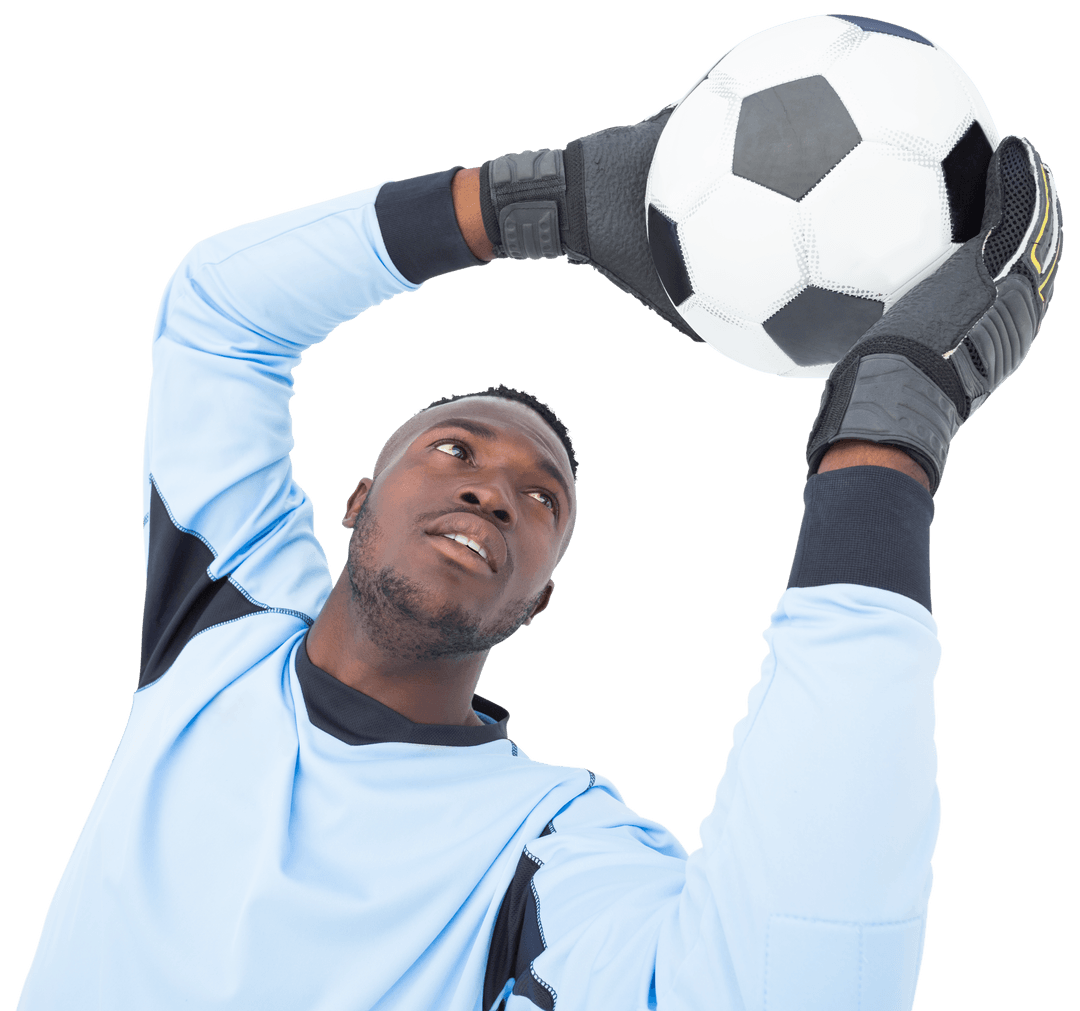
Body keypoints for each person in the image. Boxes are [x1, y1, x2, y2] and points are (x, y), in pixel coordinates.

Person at [17, 72, 1060, 1011]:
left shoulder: (538, 851)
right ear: (357, 499)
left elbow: (799, 986)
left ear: (539, 601)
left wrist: (882, 438)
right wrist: (534, 202)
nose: (493, 491)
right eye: (454, 448)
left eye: (542, 498)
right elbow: (216, 314)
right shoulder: (218, 635)